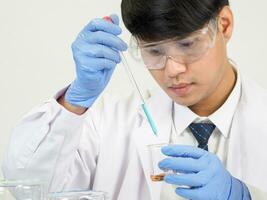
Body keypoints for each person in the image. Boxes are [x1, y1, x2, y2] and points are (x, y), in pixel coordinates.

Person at [2, 0, 267, 199]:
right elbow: (28, 188)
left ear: (224, 25)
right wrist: (74, 102)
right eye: (154, 51)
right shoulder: (107, 123)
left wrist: (243, 196)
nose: (172, 70)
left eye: (187, 45)